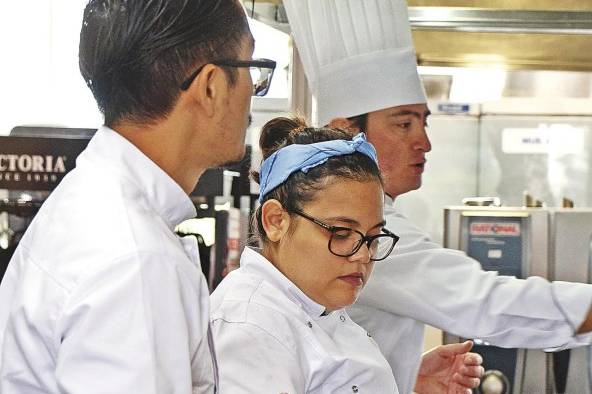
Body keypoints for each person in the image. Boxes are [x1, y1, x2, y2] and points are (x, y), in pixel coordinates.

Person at [283, 1, 592, 393]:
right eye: (404, 123)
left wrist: (401, 374)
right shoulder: (354, 232)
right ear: (347, 130)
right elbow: (483, 303)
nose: (424, 143)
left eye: (423, 122)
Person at [0, 1, 275, 392]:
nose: (254, 93)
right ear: (211, 86)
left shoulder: (97, 199)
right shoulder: (136, 260)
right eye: (252, 69)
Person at [210, 117, 482, 393]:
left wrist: (409, 382)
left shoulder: (312, 303)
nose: (363, 255)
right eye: (340, 234)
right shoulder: (253, 327)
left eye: (373, 237)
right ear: (276, 220)